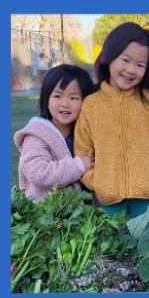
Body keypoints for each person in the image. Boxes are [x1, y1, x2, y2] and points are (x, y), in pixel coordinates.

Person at [75, 23, 149, 217]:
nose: (131, 70)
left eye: (140, 65)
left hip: (146, 198)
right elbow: (83, 149)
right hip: (107, 200)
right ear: (109, 57)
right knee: (111, 247)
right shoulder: (91, 104)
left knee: (145, 246)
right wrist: (95, 182)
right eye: (125, 60)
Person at [16, 64, 98, 201]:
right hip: (48, 215)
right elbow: (38, 173)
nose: (65, 103)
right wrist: (77, 166)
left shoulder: (86, 135)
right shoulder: (37, 135)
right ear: (46, 100)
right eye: (58, 96)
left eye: (73, 98)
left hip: (81, 214)